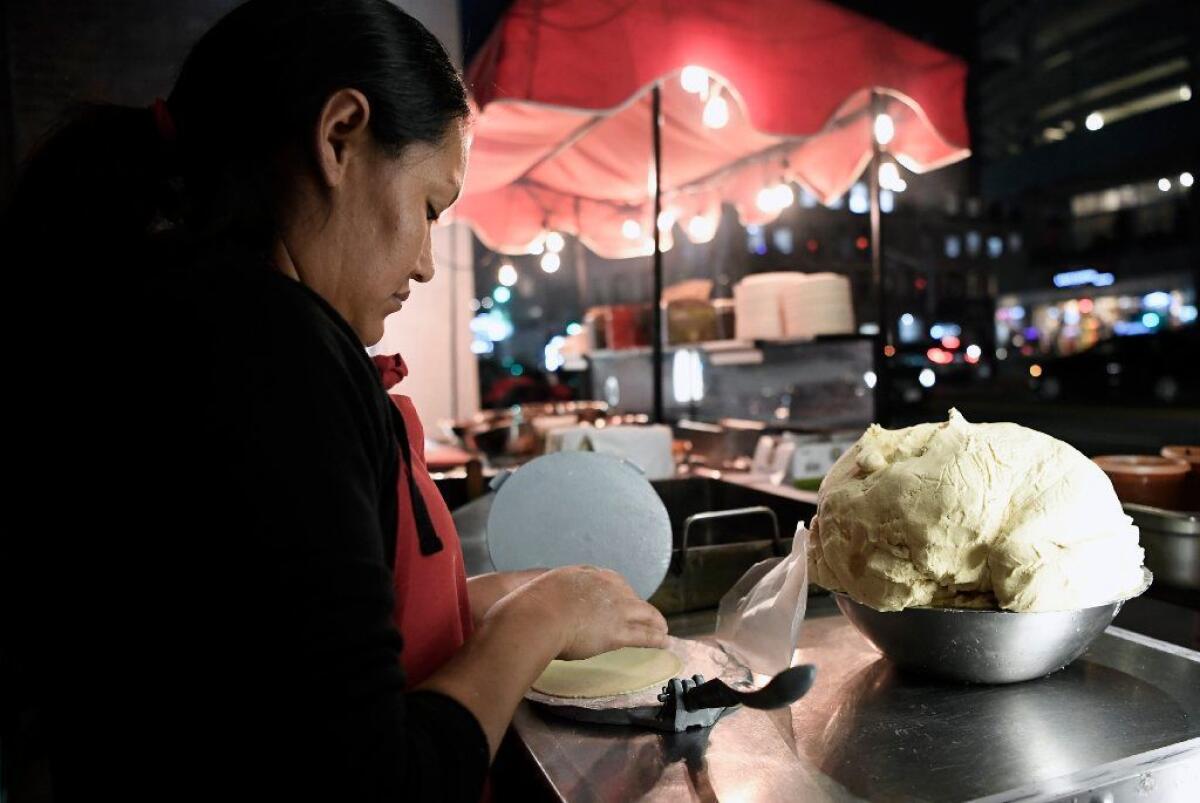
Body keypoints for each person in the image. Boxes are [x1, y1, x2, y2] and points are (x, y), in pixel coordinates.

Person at [2, 2, 667, 800]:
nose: (425, 264)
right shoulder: (266, 350)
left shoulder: (180, 318)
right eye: (427, 207)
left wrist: (490, 600)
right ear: (340, 134)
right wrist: (544, 617)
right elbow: (373, 781)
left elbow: (276, 645)